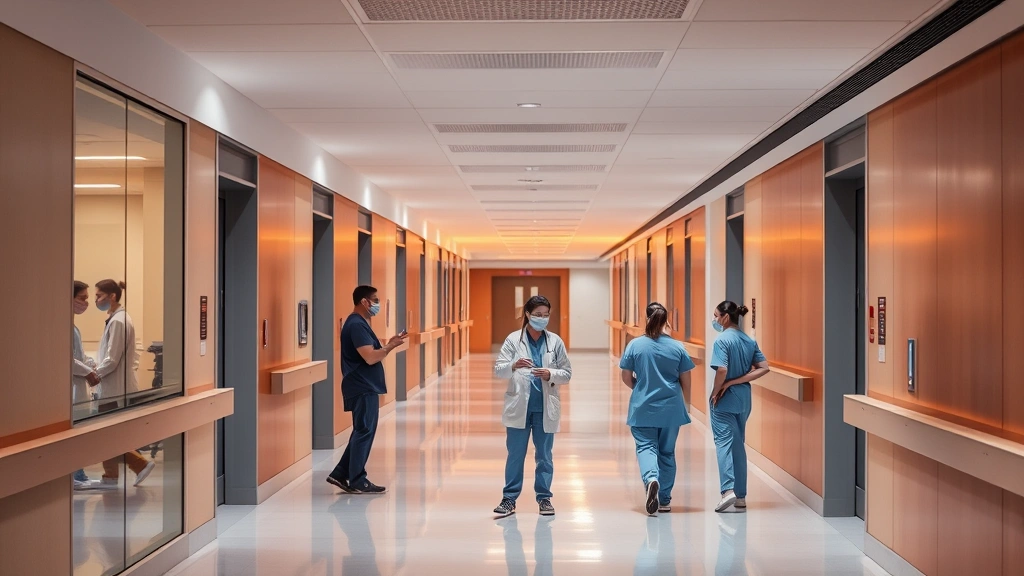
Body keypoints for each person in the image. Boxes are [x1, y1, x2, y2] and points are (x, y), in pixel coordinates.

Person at [493, 295, 572, 518]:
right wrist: (514, 365)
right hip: (519, 406)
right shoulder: (513, 340)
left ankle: (544, 498)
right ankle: (509, 499)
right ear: (527, 314)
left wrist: (550, 374)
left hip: (544, 407)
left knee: (545, 456)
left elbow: (567, 373)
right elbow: (498, 370)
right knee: (515, 455)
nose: (542, 319)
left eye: (546, 315)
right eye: (537, 315)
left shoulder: (555, 341)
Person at [328, 285, 407, 494]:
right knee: (364, 431)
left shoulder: (360, 323)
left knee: (362, 430)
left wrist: (388, 344)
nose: (377, 304)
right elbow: (370, 357)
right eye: (375, 300)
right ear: (364, 302)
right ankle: (357, 479)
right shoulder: (356, 325)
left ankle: (340, 473)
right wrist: (390, 346)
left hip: (363, 385)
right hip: (362, 386)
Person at [619, 302, 695, 516]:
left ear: (647, 318)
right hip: (671, 408)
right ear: (666, 320)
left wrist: (641, 388)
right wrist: (685, 405)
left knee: (645, 447)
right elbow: (686, 381)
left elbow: (626, 377)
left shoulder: (635, 345)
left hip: (642, 407)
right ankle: (664, 500)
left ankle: (652, 479)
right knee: (667, 452)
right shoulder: (678, 347)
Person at [708, 301, 770, 513]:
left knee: (723, 443)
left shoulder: (722, 340)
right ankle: (741, 496)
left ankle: (727, 491)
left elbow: (722, 370)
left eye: (716, 316)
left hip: (725, 400)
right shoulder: (748, 340)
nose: (714, 320)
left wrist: (717, 390)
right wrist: (736, 382)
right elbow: (763, 367)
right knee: (737, 445)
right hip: (743, 398)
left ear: (725, 317)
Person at [93, 280, 155, 489]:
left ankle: (139, 464)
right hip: (113, 385)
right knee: (107, 433)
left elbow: (112, 359)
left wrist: (93, 375)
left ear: (112, 296)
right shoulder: (115, 319)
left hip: (114, 387)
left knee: (106, 434)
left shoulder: (119, 321)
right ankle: (110, 476)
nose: (96, 300)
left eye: (99, 295)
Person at [72, 281, 100, 490]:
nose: (86, 303)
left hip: (79, 386)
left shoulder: (73, 328)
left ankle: (79, 475)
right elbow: (66, 359)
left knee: (79, 433)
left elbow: (79, 356)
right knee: (73, 434)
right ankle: (75, 476)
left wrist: (91, 364)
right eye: (82, 298)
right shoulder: (62, 326)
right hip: (71, 387)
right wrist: (88, 371)